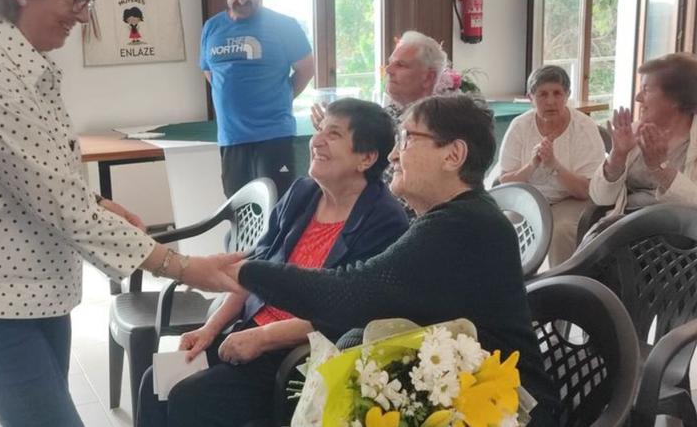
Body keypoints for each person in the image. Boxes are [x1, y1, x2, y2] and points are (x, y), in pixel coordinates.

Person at [0, 0, 241, 426]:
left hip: (24, 289)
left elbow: (31, 178)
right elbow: (65, 209)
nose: (85, 15)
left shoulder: (15, 57)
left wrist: (96, 202)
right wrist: (186, 267)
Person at [228, 96, 560, 425]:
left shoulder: (463, 226)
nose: (393, 155)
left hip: (503, 409)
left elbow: (349, 294)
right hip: (458, 393)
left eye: (407, 138)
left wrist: (244, 272)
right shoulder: (452, 218)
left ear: (453, 155)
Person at [137, 98, 409, 427]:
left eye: (333, 134)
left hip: (298, 353)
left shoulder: (384, 219)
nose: (316, 140)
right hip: (249, 329)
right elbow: (255, 270)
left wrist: (264, 337)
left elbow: (353, 311)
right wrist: (210, 330)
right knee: (154, 383)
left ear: (366, 158)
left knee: (190, 399)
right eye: (320, 129)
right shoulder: (303, 193)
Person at [201, 0, 315, 198]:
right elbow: (209, 72)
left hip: (274, 136)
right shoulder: (211, 28)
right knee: (238, 210)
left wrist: (282, 96)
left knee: (277, 209)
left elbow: (306, 69)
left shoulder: (284, 26)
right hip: (231, 139)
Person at [311, 31, 447, 220]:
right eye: (390, 63)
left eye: (401, 65)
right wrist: (332, 132)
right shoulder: (385, 115)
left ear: (428, 77)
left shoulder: (439, 129)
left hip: (395, 224)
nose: (388, 70)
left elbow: (410, 200)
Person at [498, 65, 604, 266]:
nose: (550, 101)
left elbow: (587, 190)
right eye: (542, 94)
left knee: (561, 230)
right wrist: (532, 165)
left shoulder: (584, 128)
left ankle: (560, 287)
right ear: (530, 98)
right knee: (501, 227)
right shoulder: (520, 126)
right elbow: (505, 181)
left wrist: (554, 165)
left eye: (557, 93)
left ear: (567, 95)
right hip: (527, 198)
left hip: (570, 198)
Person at [588, 52, 697, 233]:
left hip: (677, 245)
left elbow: (693, 210)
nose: (638, 97)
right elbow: (600, 198)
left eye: (646, 90)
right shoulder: (635, 131)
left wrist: (661, 168)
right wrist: (617, 155)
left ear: (676, 100)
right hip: (625, 232)